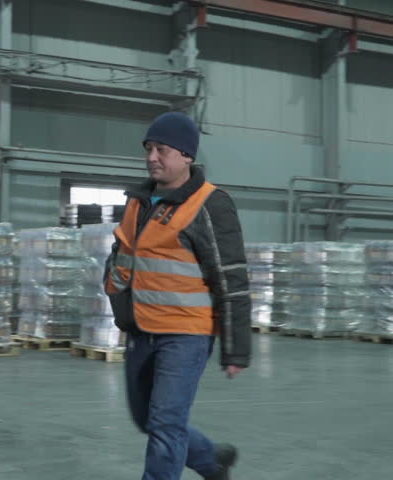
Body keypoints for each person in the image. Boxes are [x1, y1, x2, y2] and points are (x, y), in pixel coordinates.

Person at [104, 112, 251, 480]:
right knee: (147, 419)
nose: (152, 157)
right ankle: (212, 460)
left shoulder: (211, 204)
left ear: (186, 155)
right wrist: (116, 296)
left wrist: (235, 349)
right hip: (141, 329)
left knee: (166, 423)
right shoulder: (139, 200)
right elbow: (122, 253)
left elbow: (231, 279)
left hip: (186, 333)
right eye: (148, 149)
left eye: (162, 150)